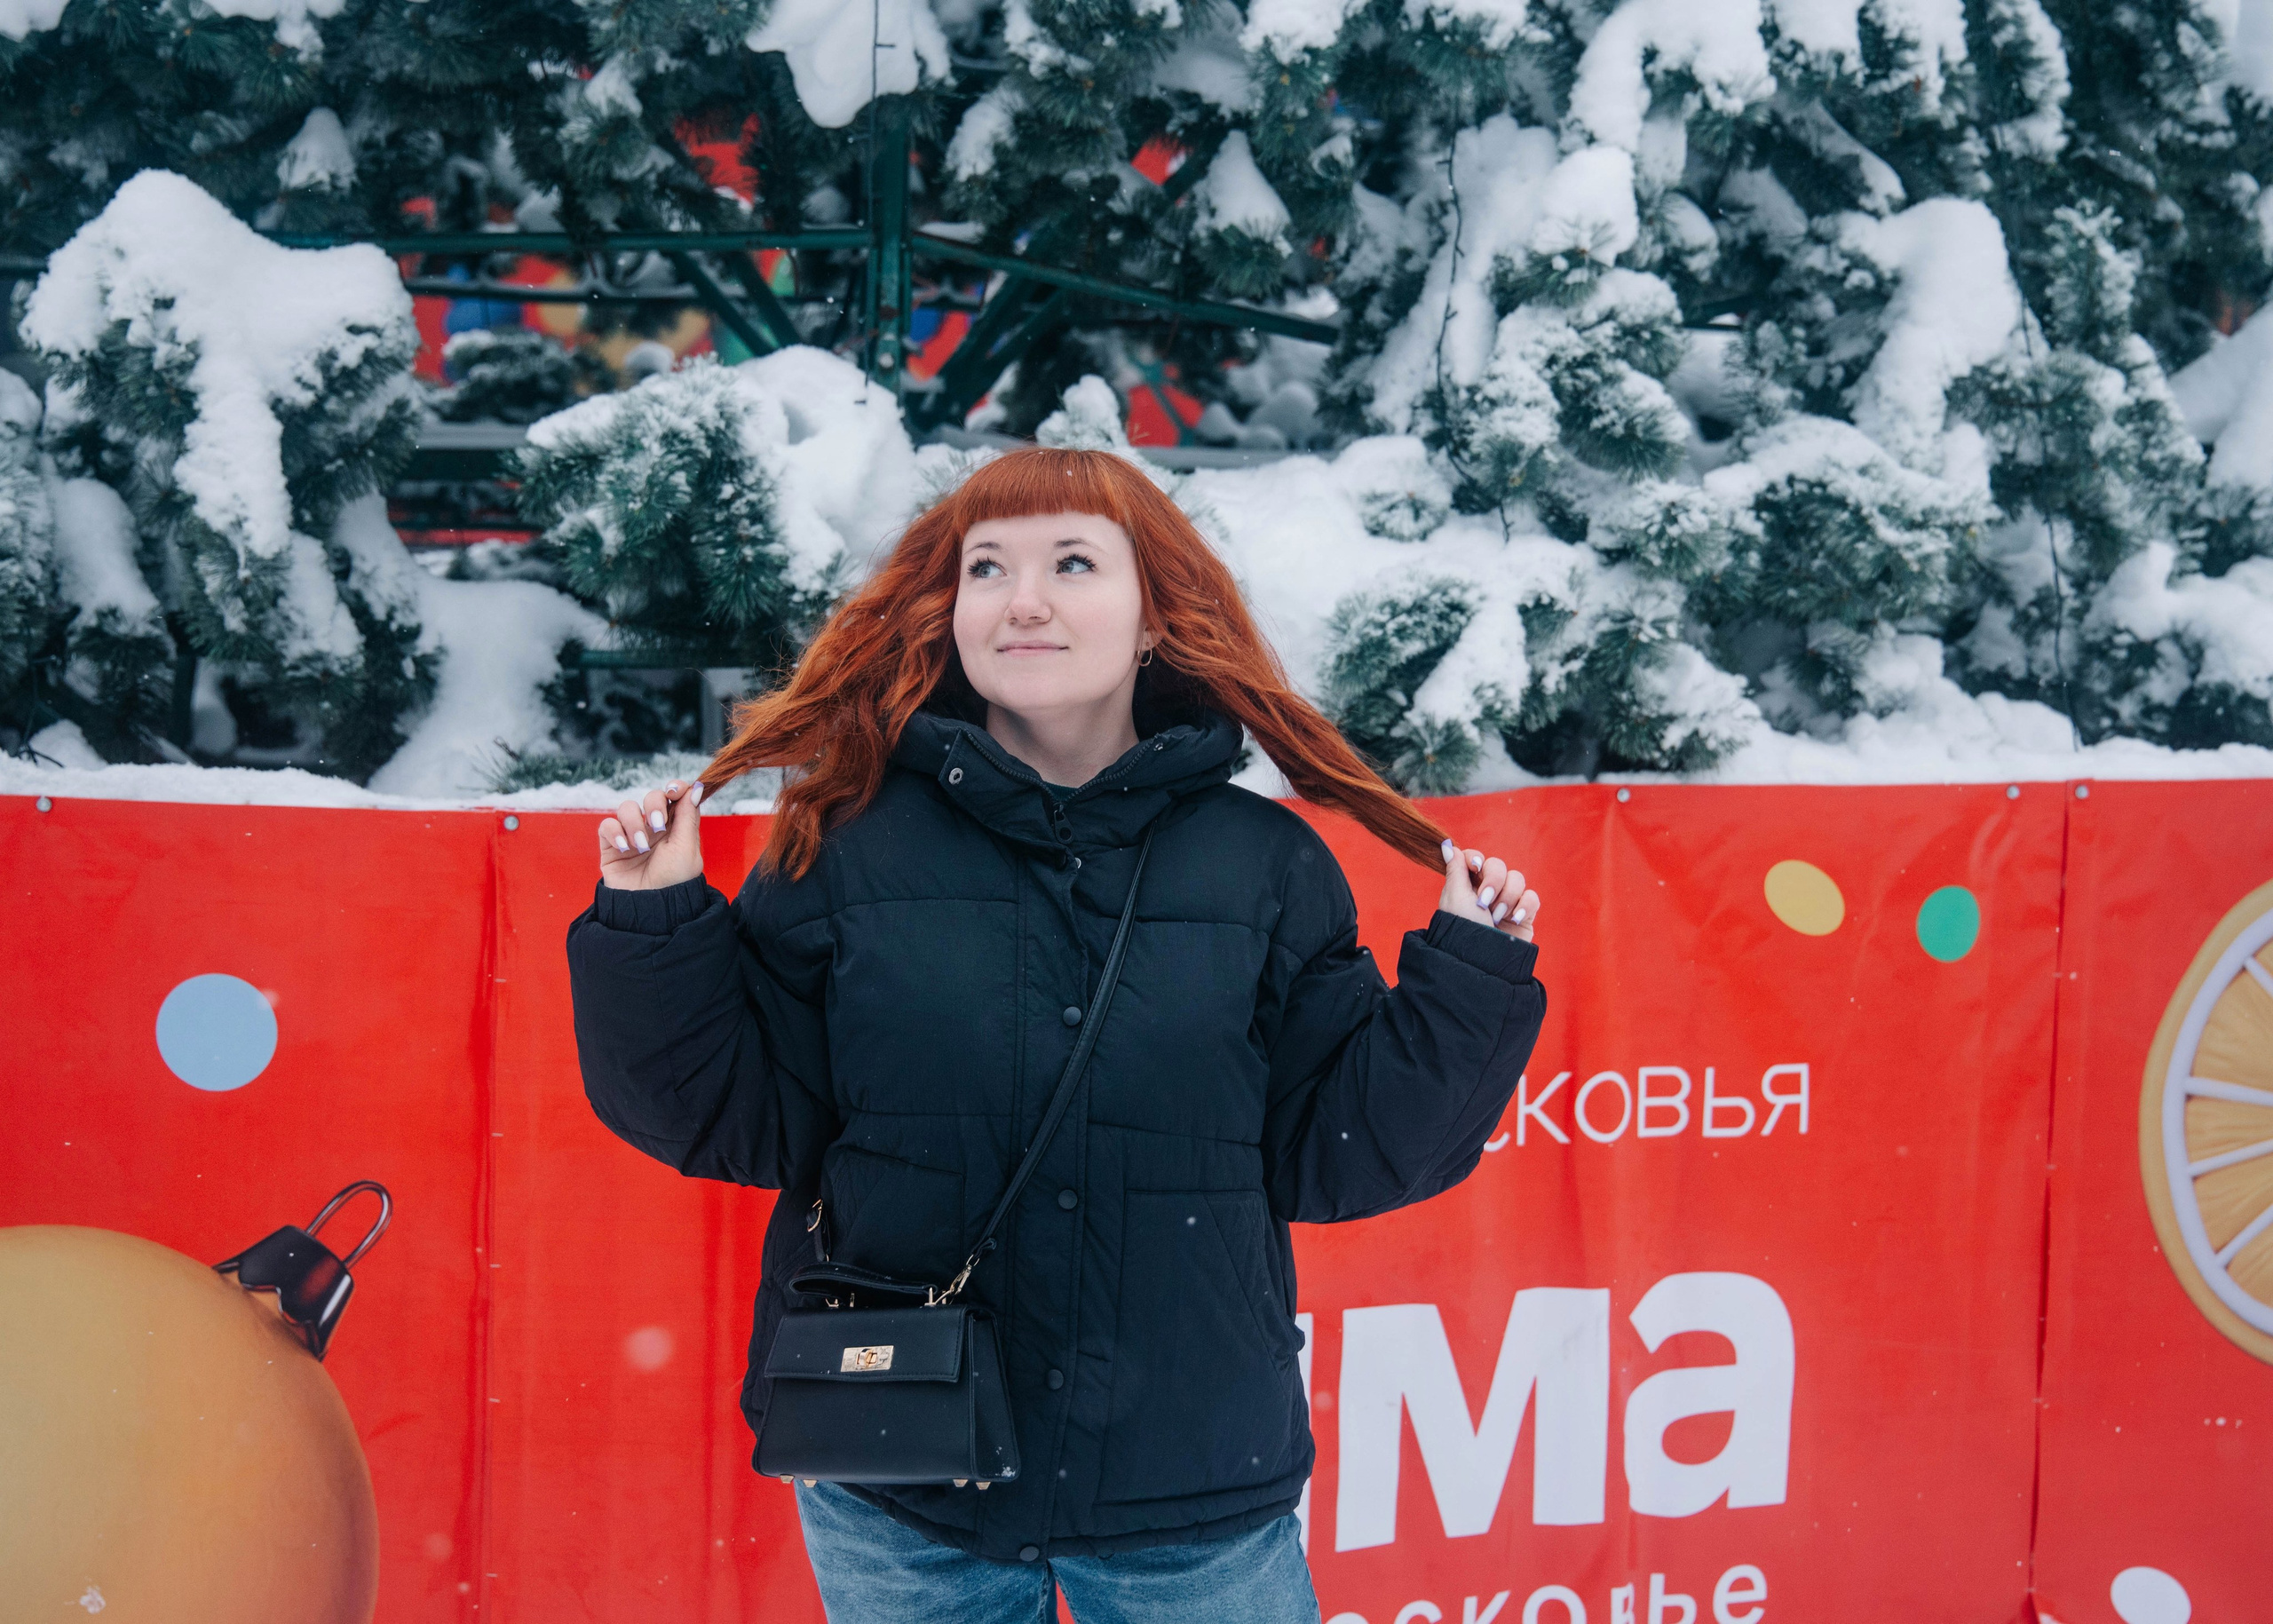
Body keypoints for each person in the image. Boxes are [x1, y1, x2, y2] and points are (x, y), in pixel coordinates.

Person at [564, 446, 1548, 1624]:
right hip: (905, 1487)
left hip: (1192, 1494)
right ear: (950, 611)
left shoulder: (1266, 865)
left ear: (1153, 620)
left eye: (1072, 562)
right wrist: (653, 917)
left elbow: (1335, 1150)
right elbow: (729, 1112)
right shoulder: (844, 845)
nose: (1022, 598)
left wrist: (1470, 974)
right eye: (989, 567)